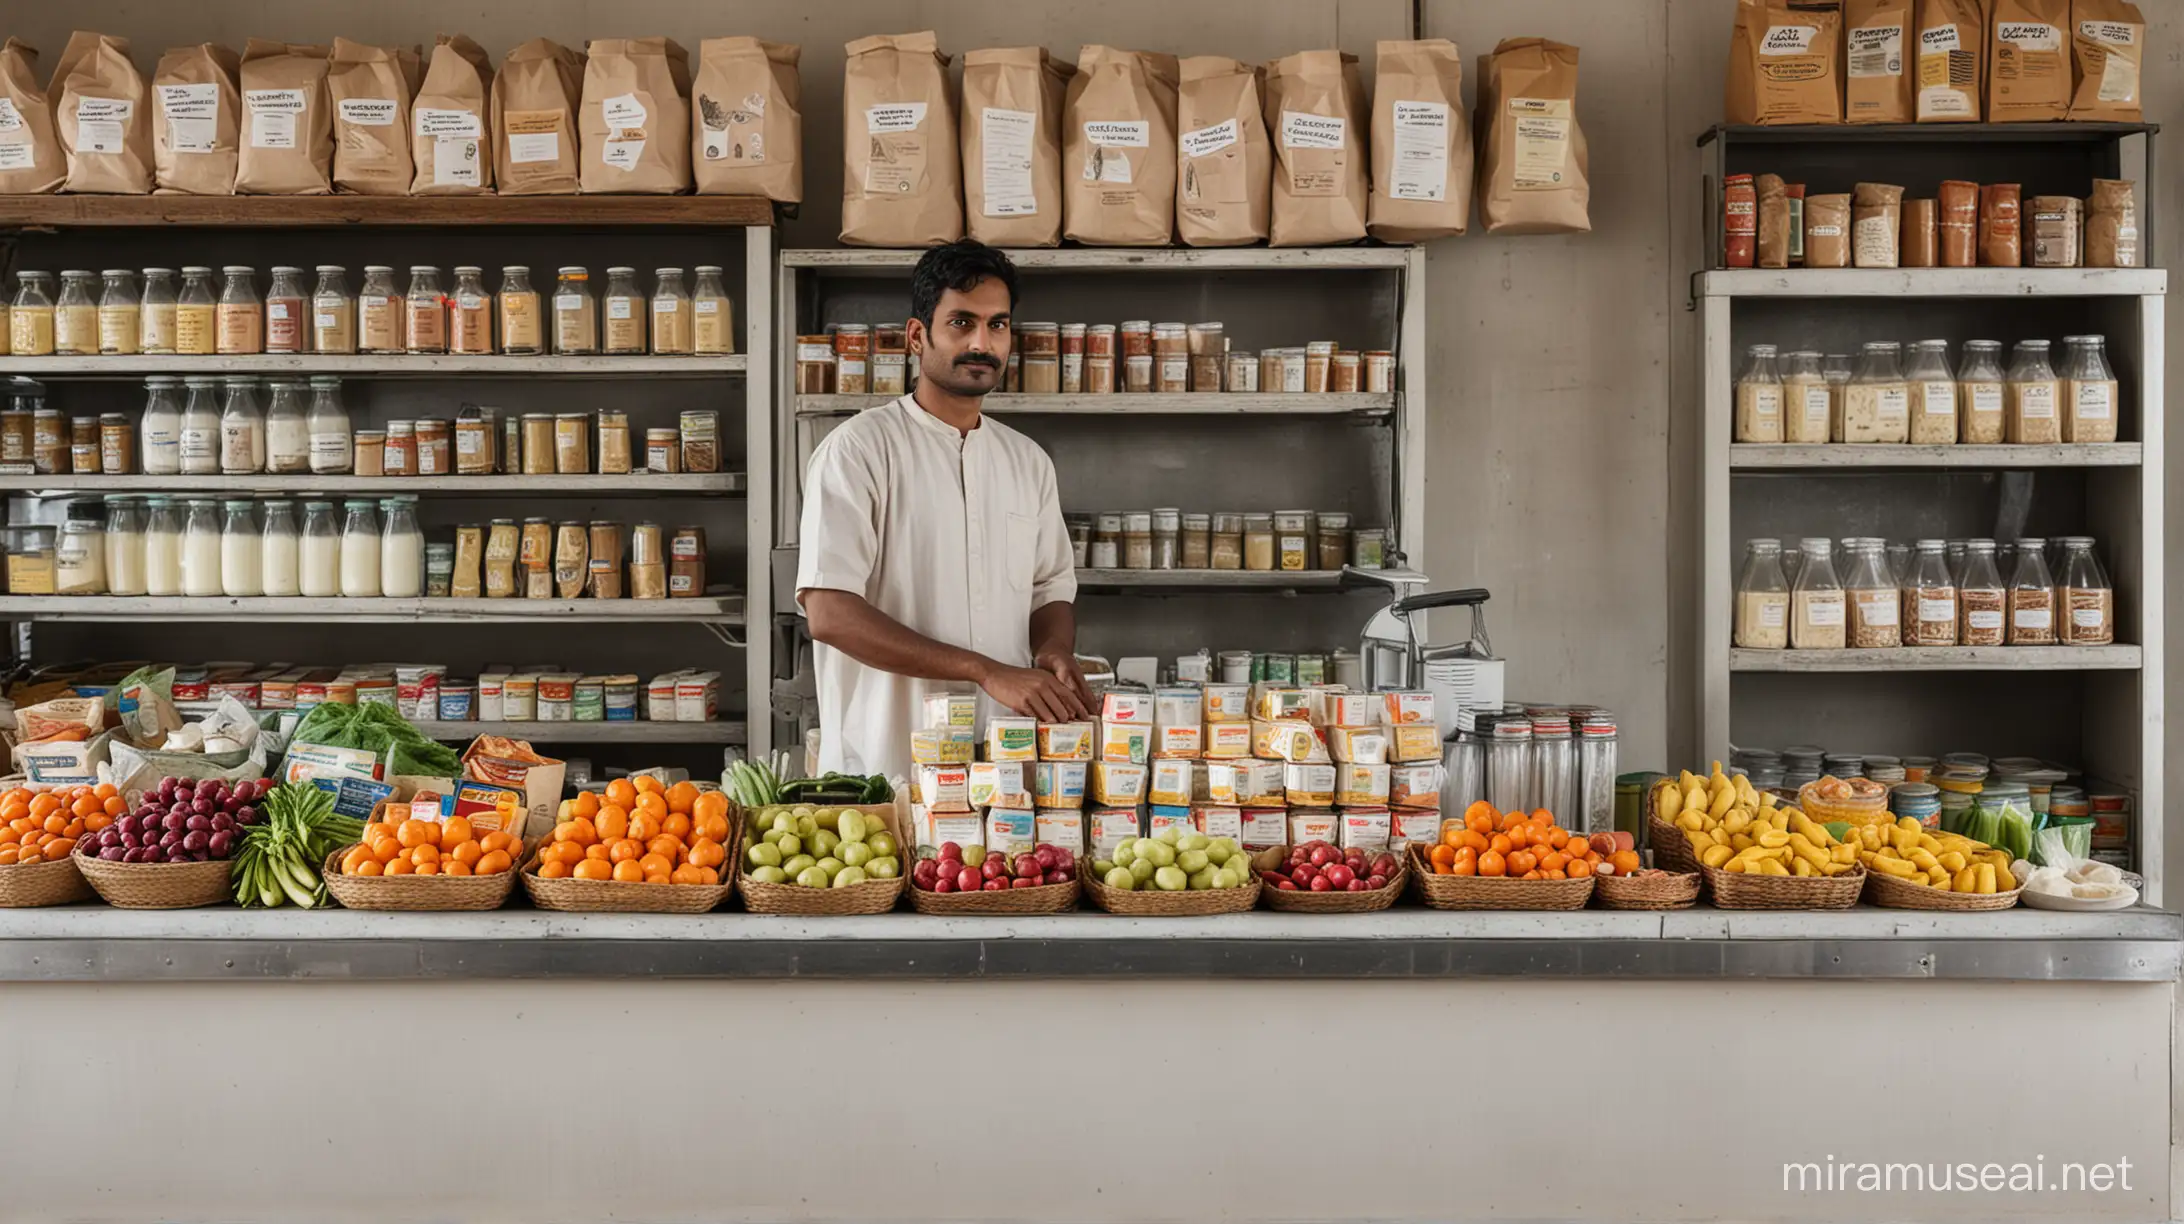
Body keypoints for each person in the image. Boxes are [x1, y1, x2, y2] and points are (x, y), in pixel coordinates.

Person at [796, 240, 1093, 779]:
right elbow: (829, 612)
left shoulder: (1027, 462)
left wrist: (1053, 649)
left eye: (997, 325)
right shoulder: (859, 450)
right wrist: (985, 671)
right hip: (888, 768)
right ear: (917, 336)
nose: (982, 343)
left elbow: (1049, 588)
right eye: (961, 322)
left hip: (1004, 767)